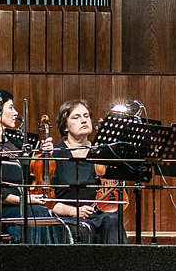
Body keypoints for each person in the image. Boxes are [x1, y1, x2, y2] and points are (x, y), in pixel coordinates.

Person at [0, 86, 64, 244]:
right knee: (37, 213)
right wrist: (26, 200)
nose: (16, 113)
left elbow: (31, 178)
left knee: (44, 213)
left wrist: (43, 153)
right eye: (11, 107)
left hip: (21, 206)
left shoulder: (17, 144)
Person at [47, 99, 128, 244]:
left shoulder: (101, 153)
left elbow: (115, 194)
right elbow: (47, 202)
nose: (84, 120)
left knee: (113, 220)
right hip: (66, 216)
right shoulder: (55, 155)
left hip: (97, 215)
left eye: (86, 116)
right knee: (83, 229)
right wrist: (74, 211)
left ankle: (119, 265)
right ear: (65, 126)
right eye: (76, 117)